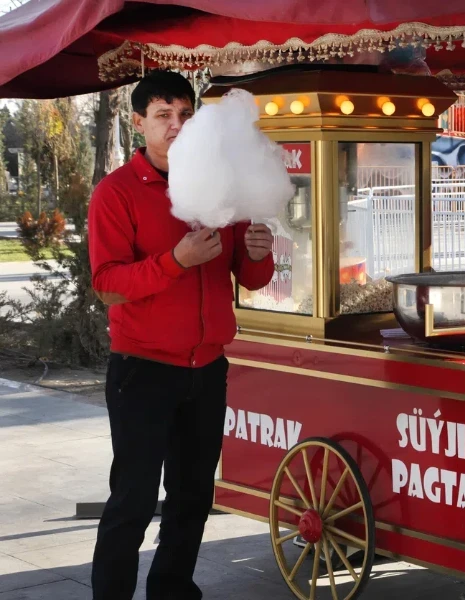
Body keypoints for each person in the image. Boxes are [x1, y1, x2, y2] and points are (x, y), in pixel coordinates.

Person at [88, 71, 276, 600]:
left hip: (208, 367)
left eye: (185, 115)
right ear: (138, 123)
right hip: (143, 370)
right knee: (133, 498)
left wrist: (260, 255)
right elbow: (107, 285)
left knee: (192, 496)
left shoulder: (221, 183)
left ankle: (172, 590)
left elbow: (248, 276)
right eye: (163, 116)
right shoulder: (116, 193)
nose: (176, 126)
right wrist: (175, 260)